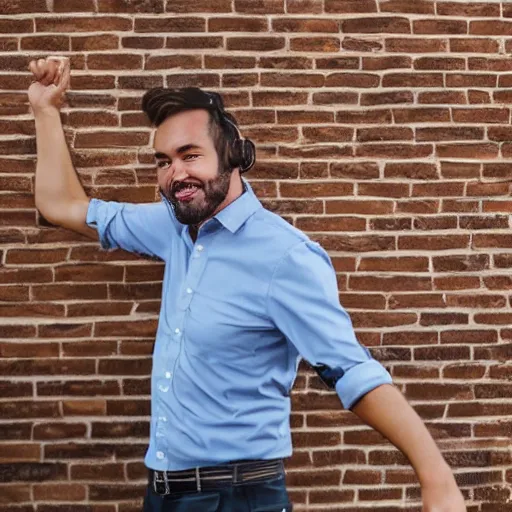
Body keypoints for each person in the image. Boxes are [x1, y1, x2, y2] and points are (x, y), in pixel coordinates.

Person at [28, 56, 466, 512]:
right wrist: (45, 109)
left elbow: (352, 371)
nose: (176, 174)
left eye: (190, 155)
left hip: (237, 497)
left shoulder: (285, 256)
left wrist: (436, 480)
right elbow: (60, 204)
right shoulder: (171, 226)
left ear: (236, 156)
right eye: (164, 161)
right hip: (163, 494)